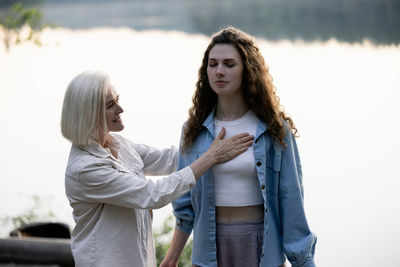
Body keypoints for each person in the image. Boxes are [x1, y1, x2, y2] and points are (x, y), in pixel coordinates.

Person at [60, 70, 254, 267]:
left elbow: (169, 159)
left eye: (118, 100)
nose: (121, 109)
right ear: (88, 115)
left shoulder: (118, 144)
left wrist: (219, 138)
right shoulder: (85, 169)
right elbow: (152, 194)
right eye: (111, 105)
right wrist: (210, 156)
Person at [160, 27, 317, 267]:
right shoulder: (193, 130)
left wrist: (304, 261)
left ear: (247, 70)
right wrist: (170, 259)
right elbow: (184, 208)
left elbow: (291, 201)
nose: (219, 71)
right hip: (208, 251)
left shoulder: (274, 129)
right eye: (212, 64)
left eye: (229, 64)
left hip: (260, 248)